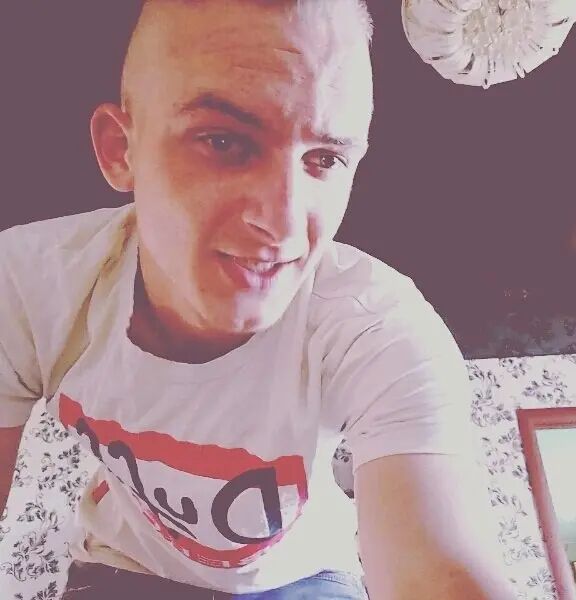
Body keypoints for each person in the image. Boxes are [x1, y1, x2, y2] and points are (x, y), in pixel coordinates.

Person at [0, 0, 516, 598]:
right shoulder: (30, 286)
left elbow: (440, 569)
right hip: (128, 563)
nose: (283, 223)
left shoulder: (379, 329)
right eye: (224, 141)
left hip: (304, 575)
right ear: (121, 150)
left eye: (324, 159)